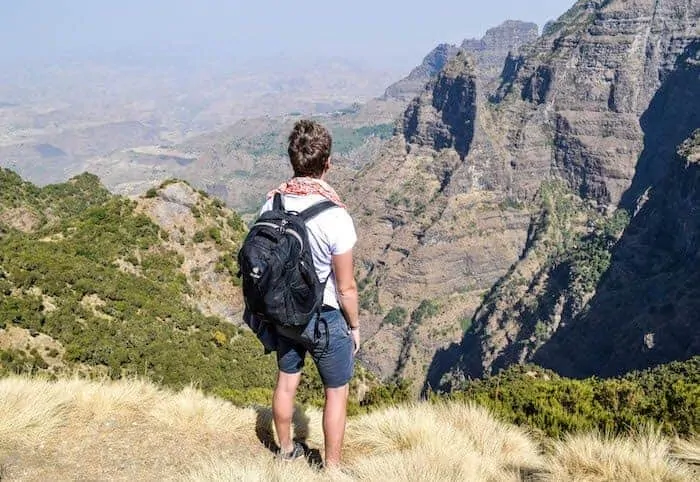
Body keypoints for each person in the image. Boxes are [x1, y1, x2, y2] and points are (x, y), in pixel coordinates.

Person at [259, 119, 360, 468]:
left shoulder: (272, 202)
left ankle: (286, 451)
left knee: (287, 382)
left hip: (284, 314)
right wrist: (355, 326)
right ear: (327, 163)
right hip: (324, 318)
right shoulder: (335, 216)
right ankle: (331, 467)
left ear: (292, 160)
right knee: (337, 392)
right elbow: (346, 286)